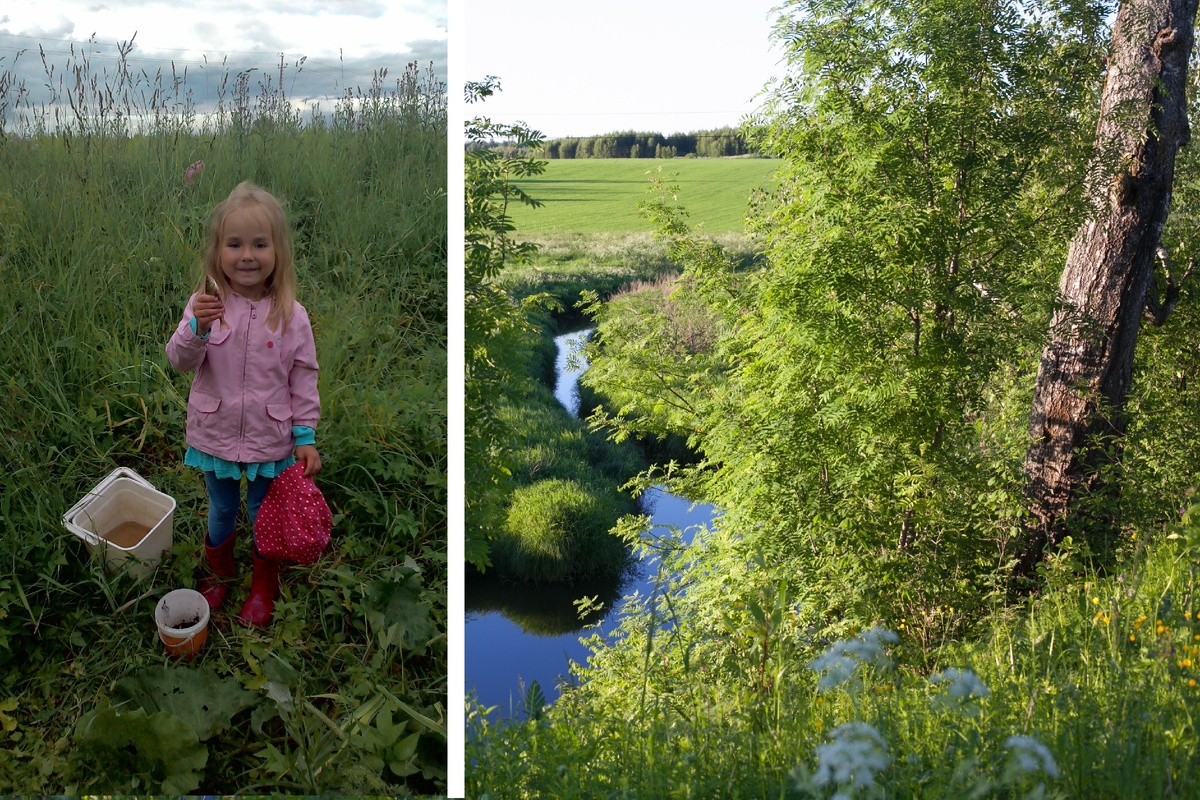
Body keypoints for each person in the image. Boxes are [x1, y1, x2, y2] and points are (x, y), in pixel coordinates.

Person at [166, 181, 321, 628]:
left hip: (270, 439)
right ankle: (220, 573)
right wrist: (196, 326)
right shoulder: (206, 305)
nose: (247, 255)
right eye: (234, 244)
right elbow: (180, 361)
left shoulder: (291, 314)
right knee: (220, 507)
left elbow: (303, 377)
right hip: (214, 434)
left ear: (278, 251)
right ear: (217, 252)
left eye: (259, 244)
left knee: (262, 511)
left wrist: (305, 436)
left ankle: (263, 583)